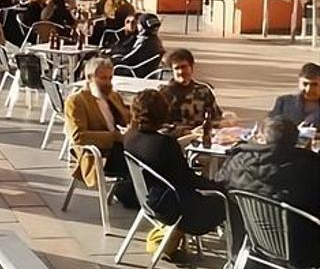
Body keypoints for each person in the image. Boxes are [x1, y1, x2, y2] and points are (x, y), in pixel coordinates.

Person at [124, 90, 227, 258]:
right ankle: (236, 256)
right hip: (172, 207)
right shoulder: (165, 144)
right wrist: (219, 186)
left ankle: (171, 244)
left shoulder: (130, 137)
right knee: (226, 201)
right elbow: (187, 179)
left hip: (148, 198)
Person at [221, 117, 320, 269]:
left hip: (257, 240)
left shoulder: (238, 161)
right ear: (296, 140)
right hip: (305, 248)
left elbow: (220, 184)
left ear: (261, 138)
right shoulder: (310, 166)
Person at [64, 58, 136, 208]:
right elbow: (79, 137)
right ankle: (139, 197)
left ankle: (143, 196)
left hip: (122, 146)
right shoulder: (76, 101)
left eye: (110, 78)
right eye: (103, 78)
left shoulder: (113, 96)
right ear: (89, 78)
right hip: (101, 154)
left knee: (154, 151)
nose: (108, 82)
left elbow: (127, 118)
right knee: (144, 159)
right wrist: (115, 137)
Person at [159, 49, 222, 138]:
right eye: (177, 68)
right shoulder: (165, 94)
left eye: (184, 67)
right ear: (172, 72)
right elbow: (161, 126)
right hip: (178, 139)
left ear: (191, 67)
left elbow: (216, 117)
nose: (181, 72)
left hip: (204, 136)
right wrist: (188, 132)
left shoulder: (203, 90)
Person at [111, 13, 164, 78]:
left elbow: (128, 60)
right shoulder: (154, 40)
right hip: (145, 70)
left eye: (138, 23)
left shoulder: (144, 42)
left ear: (142, 26)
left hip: (134, 72)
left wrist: (109, 60)